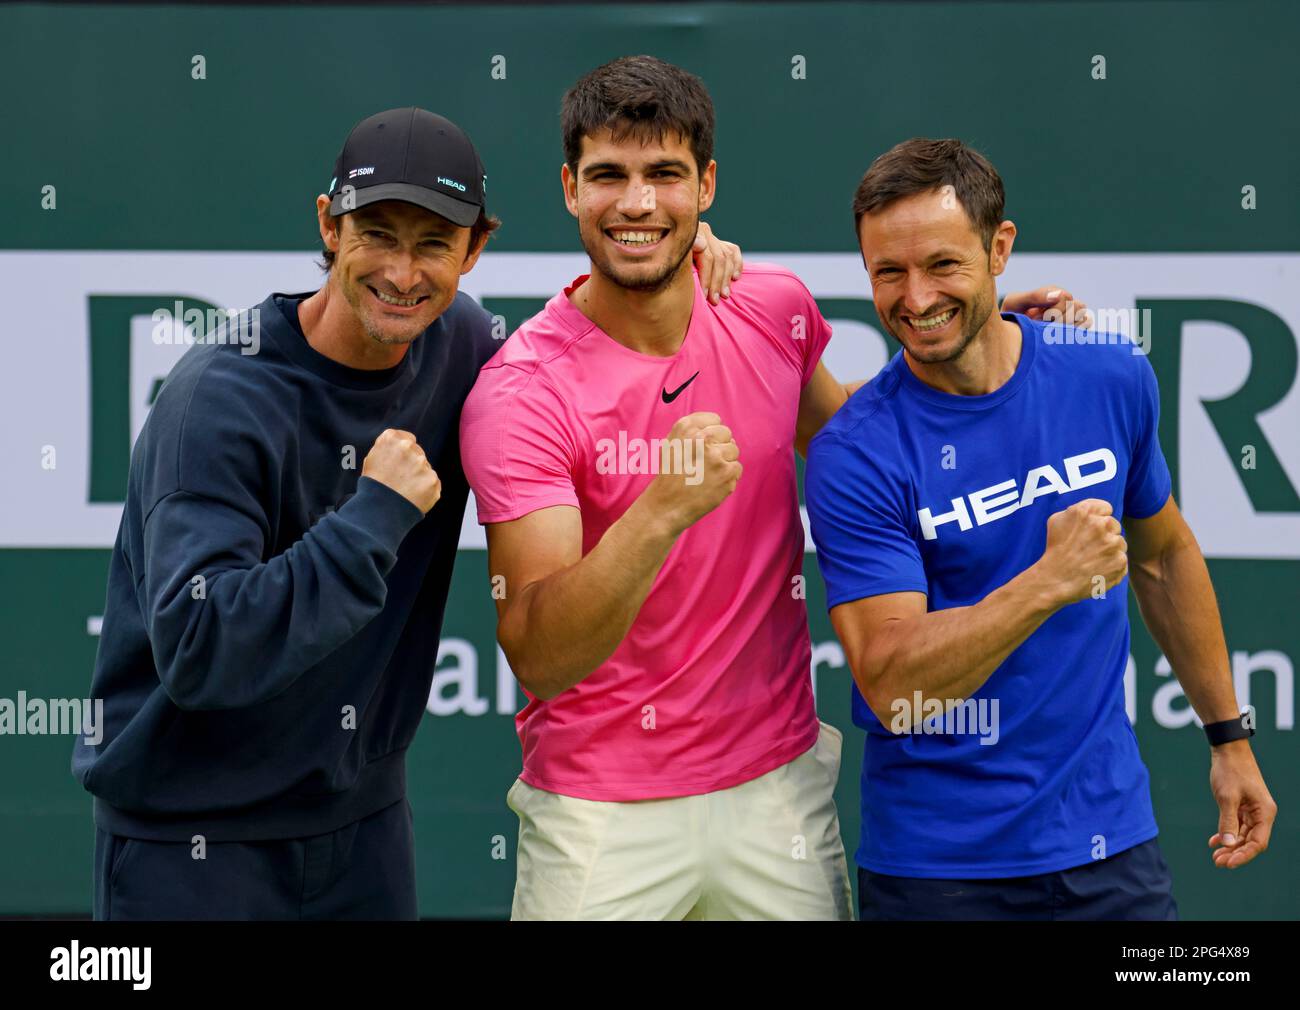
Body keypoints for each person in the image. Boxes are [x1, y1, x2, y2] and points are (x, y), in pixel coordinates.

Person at [71, 105, 739, 921]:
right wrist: (370, 518)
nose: (401, 271)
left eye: (432, 244)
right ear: (328, 224)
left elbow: (577, 352)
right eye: (377, 235)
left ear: (475, 249)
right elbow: (202, 649)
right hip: (190, 847)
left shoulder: (463, 346)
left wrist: (678, 264)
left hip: (364, 838)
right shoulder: (217, 398)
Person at [460, 56, 1087, 920]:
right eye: (609, 175)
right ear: (570, 188)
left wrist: (993, 339)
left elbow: (870, 446)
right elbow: (540, 651)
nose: (637, 204)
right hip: (598, 817)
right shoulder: (521, 390)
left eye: (664, 176)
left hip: (777, 794)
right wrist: (659, 513)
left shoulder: (771, 308)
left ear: (706, 185)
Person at [805, 137, 1277, 921]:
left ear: (1000, 249)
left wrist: (1229, 737)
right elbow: (892, 687)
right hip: (939, 873)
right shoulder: (855, 452)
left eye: (944, 265)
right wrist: (1050, 582)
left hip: (1112, 851)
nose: (915, 299)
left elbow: (1162, 558)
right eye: (889, 272)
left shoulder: (1108, 373)